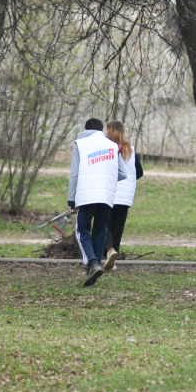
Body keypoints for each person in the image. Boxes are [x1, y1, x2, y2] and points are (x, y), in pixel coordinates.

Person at [66, 117, 127, 287]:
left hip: (86, 195)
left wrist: (71, 199)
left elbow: (74, 174)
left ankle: (92, 263)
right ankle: (96, 265)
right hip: (107, 196)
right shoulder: (112, 146)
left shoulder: (81, 144)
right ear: (101, 130)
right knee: (100, 230)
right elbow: (122, 173)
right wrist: (106, 178)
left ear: (86, 130)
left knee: (82, 230)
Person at [104, 120, 143, 272]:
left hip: (110, 193)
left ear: (111, 130)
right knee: (117, 228)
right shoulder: (132, 150)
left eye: (107, 130)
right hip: (126, 196)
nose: (106, 133)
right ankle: (113, 260)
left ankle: (108, 251)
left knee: (104, 225)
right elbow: (139, 172)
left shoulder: (108, 149)